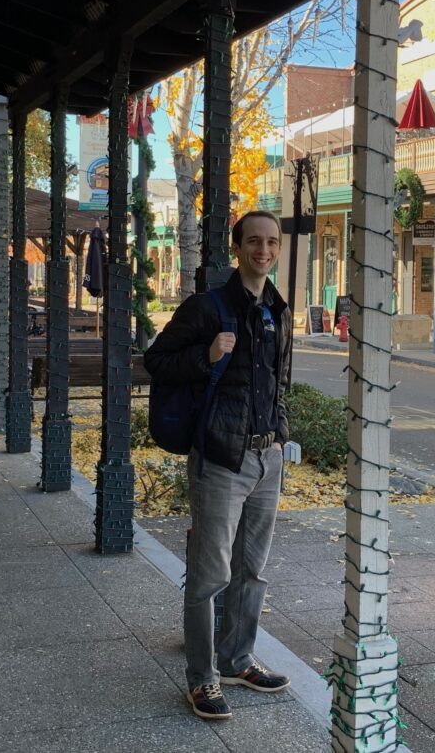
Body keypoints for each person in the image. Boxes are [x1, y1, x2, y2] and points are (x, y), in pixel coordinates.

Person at [144, 211, 293, 721]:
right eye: (255, 241)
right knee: (210, 576)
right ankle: (203, 679)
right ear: (238, 248)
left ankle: (236, 660)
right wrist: (206, 356)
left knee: (252, 571)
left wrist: (281, 436)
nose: (264, 250)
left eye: (272, 242)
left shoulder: (277, 308)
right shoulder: (208, 308)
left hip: (267, 456)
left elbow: (277, 380)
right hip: (220, 460)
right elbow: (156, 361)